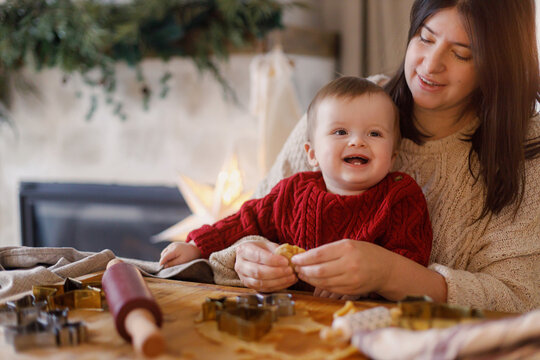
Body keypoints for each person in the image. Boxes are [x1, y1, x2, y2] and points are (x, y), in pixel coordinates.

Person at [232, 0, 540, 313]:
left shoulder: (526, 147)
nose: (430, 65)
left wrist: (389, 274)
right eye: (425, 38)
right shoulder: (344, 108)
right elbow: (251, 221)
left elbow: (520, 300)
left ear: (498, 63)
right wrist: (249, 256)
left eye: (461, 53)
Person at [159, 77, 433, 292]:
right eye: (340, 132)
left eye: (374, 133)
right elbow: (245, 220)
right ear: (311, 153)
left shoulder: (400, 196)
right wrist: (197, 246)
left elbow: (410, 260)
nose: (357, 141)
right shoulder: (293, 192)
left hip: (366, 320)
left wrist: (366, 287)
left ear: (393, 156)